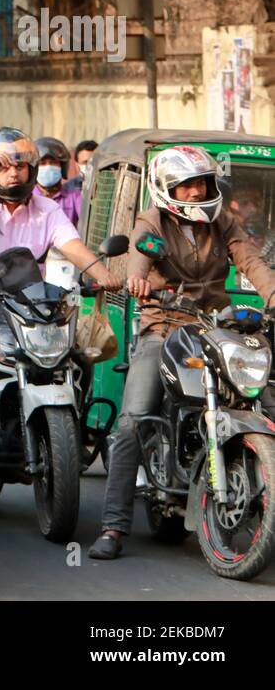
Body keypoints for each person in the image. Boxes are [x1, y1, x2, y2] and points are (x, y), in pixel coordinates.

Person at [89, 146, 275, 560]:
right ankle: (113, 527)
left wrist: (274, 294)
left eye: (202, 183)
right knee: (133, 420)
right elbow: (140, 251)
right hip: (165, 326)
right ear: (167, 189)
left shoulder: (222, 221)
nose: (195, 192)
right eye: (187, 185)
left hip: (214, 327)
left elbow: (251, 261)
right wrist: (137, 281)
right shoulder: (151, 220)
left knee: (264, 399)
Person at [0, 128, 118, 422]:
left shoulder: (46, 210)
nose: (12, 174)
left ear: (31, 170)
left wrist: (103, 274)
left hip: (27, 308)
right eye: (3, 166)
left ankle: (72, 428)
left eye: (20, 166)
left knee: (74, 362)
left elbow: (72, 246)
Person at [35, 136, 81, 226]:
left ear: (62, 167)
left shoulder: (74, 197)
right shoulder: (26, 199)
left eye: (53, 162)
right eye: (42, 163)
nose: (48, 167)